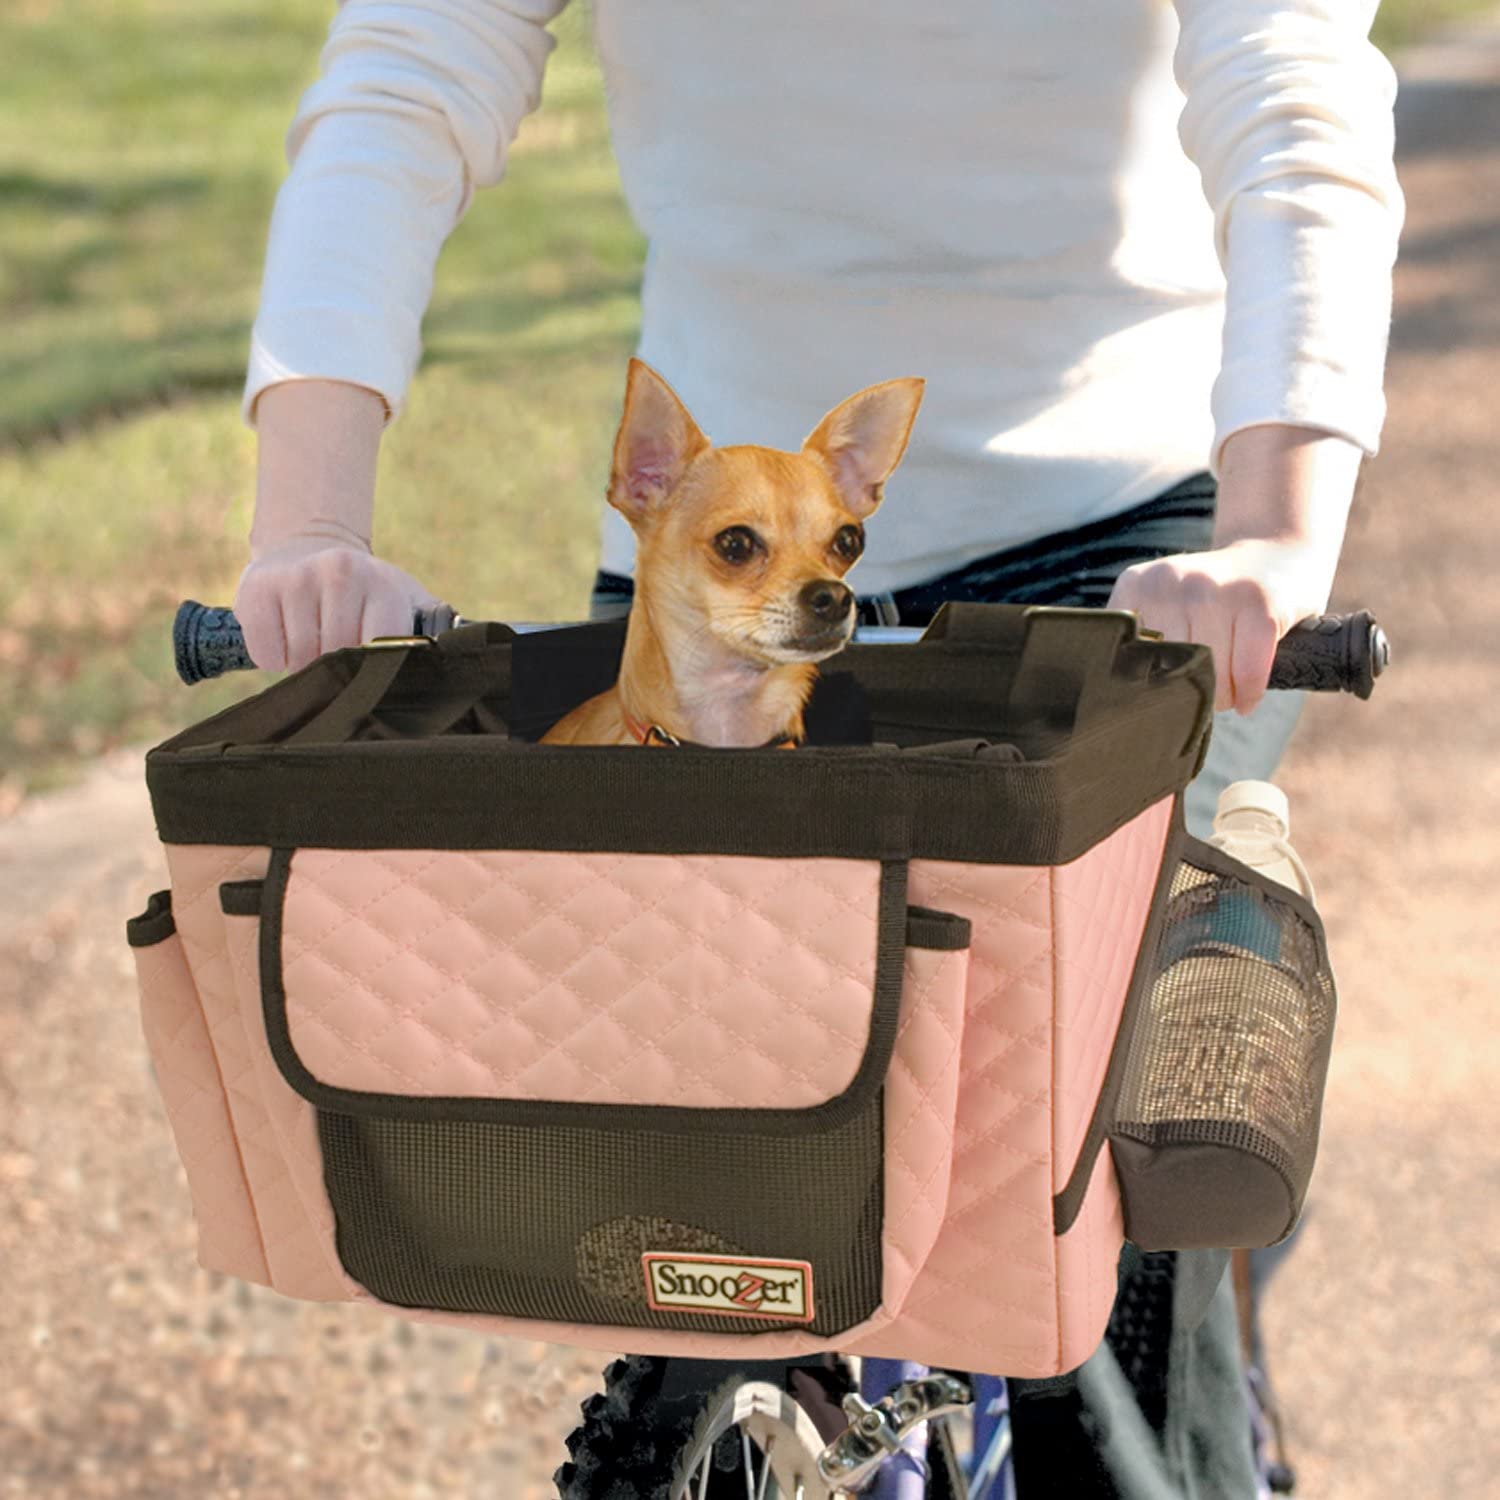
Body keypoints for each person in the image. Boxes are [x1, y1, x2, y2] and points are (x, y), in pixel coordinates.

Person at [232, 2, 1404, 1493]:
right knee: (694, 1113)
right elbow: (407, 80)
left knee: (1093, 1150)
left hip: (1129, 527)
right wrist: (312, 528)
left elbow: (1291, 95)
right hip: (718, 553)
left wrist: (1274, 537)